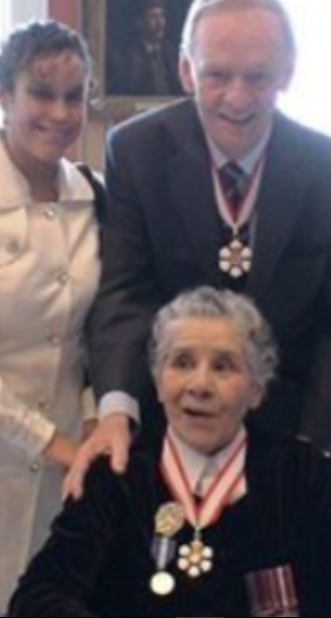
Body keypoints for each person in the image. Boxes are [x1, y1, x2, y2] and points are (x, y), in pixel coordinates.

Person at [66, 0, 331, 496]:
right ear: (186, 69)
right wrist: (116, 412)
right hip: (167, 434)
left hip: (295, 439)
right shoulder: (135, 151)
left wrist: (308, 446)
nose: (238, 98)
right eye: (217, 75)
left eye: (258, 77)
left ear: (288, 73)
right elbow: (125, 295)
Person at [7, 287, 331, 617]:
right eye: (182, 362)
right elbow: (36, 600)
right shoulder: (117, 477)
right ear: (156, 381)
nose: (200, 384)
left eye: (224, 366)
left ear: (257, 390)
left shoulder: (299, 473)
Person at [0, 20, 102, 614]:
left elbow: (100, 332)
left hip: (69, 470)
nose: (60, 113)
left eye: (75, 95)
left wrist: (91, 424)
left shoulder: (98, 195)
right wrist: (52, 441)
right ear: (6, 96)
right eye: (41, 92)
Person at [106, 0, 183, 96]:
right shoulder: (125, 55)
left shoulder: (172, 52)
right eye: (153, 17)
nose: (160, 23)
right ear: (140, 22)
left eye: (161, 16)